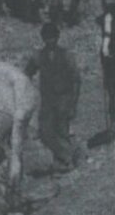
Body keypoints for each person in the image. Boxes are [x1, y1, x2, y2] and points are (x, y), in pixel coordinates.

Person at [23, 21, 82, 172]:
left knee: (62, 130)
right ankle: (65, 157)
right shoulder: (39, 56)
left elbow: (76, 79)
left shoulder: (67, 55)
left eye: (53, 38)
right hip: (48, 99)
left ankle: (66, 161)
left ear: (57, 38)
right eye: (47, 38)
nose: (50, 41)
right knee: (45, 131)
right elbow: (27, 73)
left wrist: (73, 104)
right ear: (43, 39)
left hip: (64, 98)